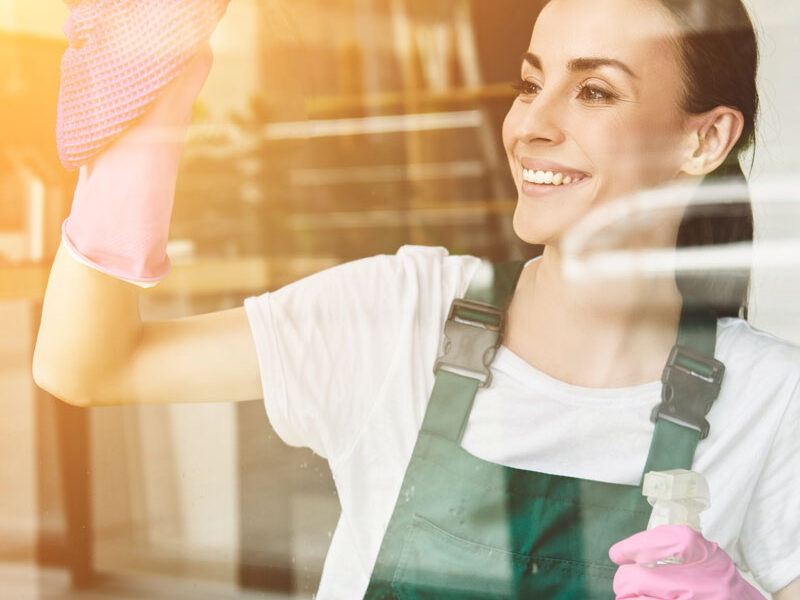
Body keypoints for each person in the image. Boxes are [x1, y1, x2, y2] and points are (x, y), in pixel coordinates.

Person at [32, 0, 800, 598]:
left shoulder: (769, 398)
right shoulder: (403, 313)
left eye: (594, 91)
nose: (532, 123)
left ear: (705, 141)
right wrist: (146, 122)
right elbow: (89, 368)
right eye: (531, 84)